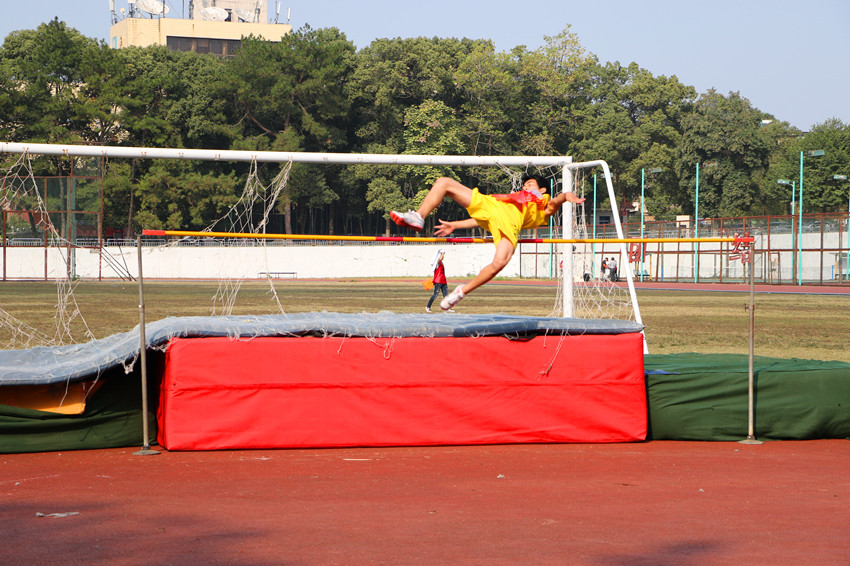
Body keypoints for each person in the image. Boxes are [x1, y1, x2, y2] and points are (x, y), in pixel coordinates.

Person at [391, 174, 585, 310]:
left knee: (500, 262)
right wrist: (455, 226)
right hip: (492, 204)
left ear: (542, 189)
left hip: (509, 222)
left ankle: (461, 292)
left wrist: (567, 195)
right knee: (443, 182)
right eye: (525, 184)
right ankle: (418, 216)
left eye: (531, 184)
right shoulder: (513, 197)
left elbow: (558, 200)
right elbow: (484, 218)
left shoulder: (542, 204)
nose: (526, 186)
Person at [426, 249, 453, 313]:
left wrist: (442, 254)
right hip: (438, 281)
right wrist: (442, 253)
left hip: (443, 280)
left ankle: (448, 308)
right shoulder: (437, 263)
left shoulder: (441, 263)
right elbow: (440, 259)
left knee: (446, 296)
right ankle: (428, 307)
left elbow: (441, 259)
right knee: (435, 295)